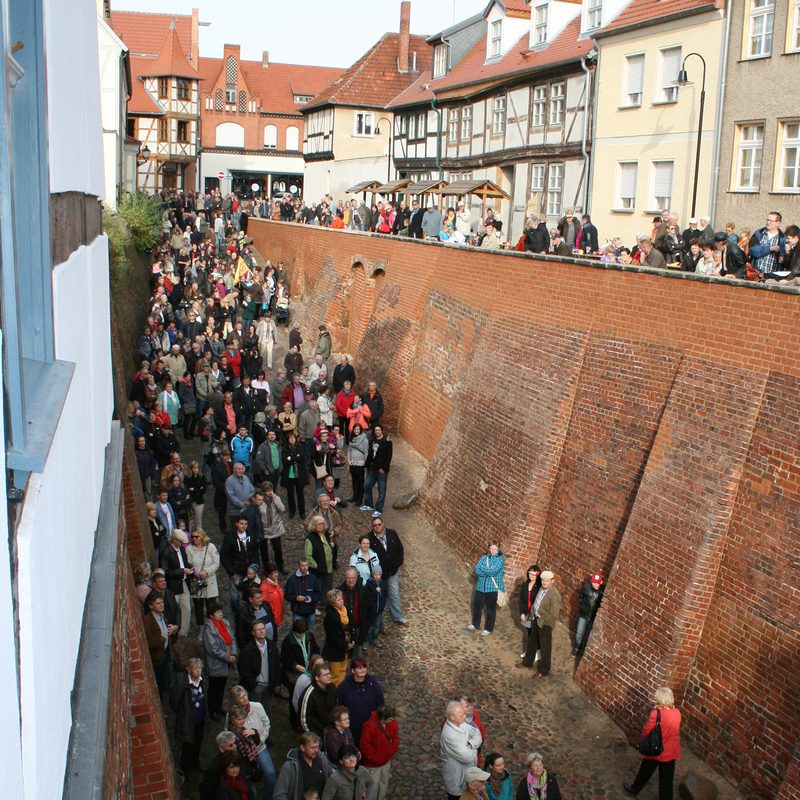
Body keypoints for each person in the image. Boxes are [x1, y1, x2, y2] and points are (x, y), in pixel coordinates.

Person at [623, 687, 681, 799]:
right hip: (671, 751)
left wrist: (642, 739)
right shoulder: (677, 712)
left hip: (656, 749)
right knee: (667, 781)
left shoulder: (656, 713)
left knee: (644, 772)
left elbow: (647, 730)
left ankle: (634, 789)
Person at [227, 685, 277, 799]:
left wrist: (261, 738)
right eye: (241, 697)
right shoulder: (232, 714)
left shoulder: (257, 706)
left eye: (245, 695)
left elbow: (266, 724)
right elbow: (228, 732)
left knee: (270, 773)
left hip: (259, 747)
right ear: (236, 700)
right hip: (243, 753)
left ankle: (269, 796)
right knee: (248, 778)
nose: (244, 699)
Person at [516, 570, 560, 678]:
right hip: (536, 620)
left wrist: (543, 621)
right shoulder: (542, 588)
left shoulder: (554, 595)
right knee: (532, 642)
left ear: (552, 581)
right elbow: (537, 602)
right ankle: (527, 662)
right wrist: (533, 613)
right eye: (543, 580)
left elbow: (554, 614)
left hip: (545, 624)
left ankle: (544, 671)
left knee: (545, 648)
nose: (544, 582)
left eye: (547, 581)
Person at [170, 657, 207, 775]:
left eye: (199, 668)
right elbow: (174, 701)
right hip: (188, 719)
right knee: (188, 746)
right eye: (195, 669)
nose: (198, 671)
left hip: (200, 717)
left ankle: (195, 763)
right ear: (189, 670)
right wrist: (183, 712)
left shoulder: (202, 680)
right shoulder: (183, 684)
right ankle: (186, 769)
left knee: (198, 742)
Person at [336, 658, 385, 745]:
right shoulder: (344, 686)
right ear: (353, 671)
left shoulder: (373, 684)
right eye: (359, 668)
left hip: (370, 728)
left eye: (364, 667)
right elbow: (338, 706)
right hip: (351, 729)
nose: (363, 670)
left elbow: (380, 703)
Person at [202, 602, 238, 719]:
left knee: (222, 686)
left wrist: (233, 653)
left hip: (227, 660)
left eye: (221, 611)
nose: (221, 614)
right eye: (217, 612)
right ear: (211, 616)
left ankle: (219, 706)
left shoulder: (225, 623)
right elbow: (213, 649)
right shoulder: (208, 630)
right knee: (214, 688)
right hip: (216, 664)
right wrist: (228, 657)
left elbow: (232, 639)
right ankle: (212, 711)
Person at [441, 700, 483, 800]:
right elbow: (467, 757)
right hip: (457, 780)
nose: (465, 717)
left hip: (465, 777)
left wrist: (470, 745)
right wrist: (475, 747)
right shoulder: (449, 734)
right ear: (452, 717)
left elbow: (477, 733)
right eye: (461, 715)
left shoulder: (459, 722)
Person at [368, 516, 406, 625]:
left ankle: (397, 617)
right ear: (372, 527)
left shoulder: (392, 533)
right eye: (375, 525)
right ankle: (378, 622)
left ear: (383, 524)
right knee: (379, 597)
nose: (377, 526)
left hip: (392, 571)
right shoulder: (369, 538)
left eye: (379, 524)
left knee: (394, 594)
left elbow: (400, 549)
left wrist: (397, 564)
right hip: (378, 575)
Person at [220, 515, 260, 617]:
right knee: (234, 595)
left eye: (245, 524)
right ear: (236, 524)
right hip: (236, 570)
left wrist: (256, 566)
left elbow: (255, 551)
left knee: (251, 592)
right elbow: (224, 556)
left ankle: (251, 612)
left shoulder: (251, 534)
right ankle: (236, 614)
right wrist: (232, 572)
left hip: (249, 570)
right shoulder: (230, 537)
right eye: (241, 524)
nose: (243, 526)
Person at [273, 732, 333, 800]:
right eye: (313, 747)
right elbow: (279, 795)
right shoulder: (290, 767)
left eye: (317, 747)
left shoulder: (322, 759)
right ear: (302, 748)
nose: (316, 750)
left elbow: (333, 779)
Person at [238, 619, 281, 709]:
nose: (262, 631)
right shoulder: (247, 650)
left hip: (269, 685)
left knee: (267, 708)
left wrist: (277, 683)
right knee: (254, 709)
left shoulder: (272, 646)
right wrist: (254, 684)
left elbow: (277, 665)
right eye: (258, 629)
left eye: (263, 628)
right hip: (256, 687)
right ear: (253, 633)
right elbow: (243, 670)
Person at [359, 706, 399, 800]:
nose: (393, 720)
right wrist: (375, 759)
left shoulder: (392, 723)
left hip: (386, 760)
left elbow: (395, 738)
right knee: (372, 786)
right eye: (390, 719)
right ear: (383, 718)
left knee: (384, 783)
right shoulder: (369, 726)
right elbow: (365, 746)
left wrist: (391, 751)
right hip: (373, 764)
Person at [143, 590, 176, 700]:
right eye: (158, 603)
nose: (162, 605)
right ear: (151, 606)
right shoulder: (147, 621)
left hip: (164, 654)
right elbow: (147, 642)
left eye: (162, 602)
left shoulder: (162, 615)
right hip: (156, 660)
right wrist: (161, 639)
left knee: (163, 681)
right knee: (158, 683)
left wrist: (172, 629)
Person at [468, 541, 505, 636]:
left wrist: (483, 569)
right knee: (477, 606)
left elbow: (492, 572)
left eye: (495, 549)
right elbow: (477, 569)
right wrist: (486, 571)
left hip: (492, 588)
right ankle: (475, 623)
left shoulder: (500, 560)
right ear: (489, 548)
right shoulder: (484, 557)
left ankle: (488, 628)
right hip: (480, 586)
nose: (493, 551)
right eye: (491, 548)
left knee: (490, 610)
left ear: (498, 549)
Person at [159, 529, 192, 636]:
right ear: (174, 540)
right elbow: (166, 572)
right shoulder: (166, 552)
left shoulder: (181, 549)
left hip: (183, 582)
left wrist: (190, 568)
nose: (183, 544)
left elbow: (184, 563)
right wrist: (182, 571)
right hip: (173, 586)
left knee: (187, 609)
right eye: (181, 542)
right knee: (174, 610)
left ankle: (183, 632)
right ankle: (174, 631)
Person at [186, 528, 220, 625]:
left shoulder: (211, 547)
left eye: (196, 536)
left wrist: (207, 572)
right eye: (192, 537)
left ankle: (213, 627)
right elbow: (188, 563)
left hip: (210, 582)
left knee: (212, 608)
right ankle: (201, 628)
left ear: (202, 536)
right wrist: (195, 572)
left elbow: (216, 563)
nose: (194, 538)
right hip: (196, 582)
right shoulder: (189, 549)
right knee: (198, 609)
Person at [322, 589, 355, 687]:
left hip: (346, 648)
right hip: (336, 650)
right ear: (333, 603)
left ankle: (340, 690)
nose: (341, 601)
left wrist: (353, 640)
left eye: (341, 599)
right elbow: (332, 637)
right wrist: (346, 645)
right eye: (338, 600)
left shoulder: (345, 610)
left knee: (343, 670)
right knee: (335, 674)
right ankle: (333, 692)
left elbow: (351, 627)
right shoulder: (330, 617)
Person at [299, 661, 338, 737]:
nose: (329, 676)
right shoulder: (310, 694)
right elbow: (304, 720)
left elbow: (335, 705)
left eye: (329, 673)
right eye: (326, 675)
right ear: (317, 678)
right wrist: (315, 737)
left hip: (331, 730)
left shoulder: (332, 687)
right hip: (316, 734)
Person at [281, 617, 320, 692]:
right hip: (295, 674)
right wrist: (295, 666)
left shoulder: (310, 636)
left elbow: (316, 649)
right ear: (294, 631)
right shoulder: (287, 642)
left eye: (303, 633)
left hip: (309, 671)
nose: (302, 635)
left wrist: (314, 661)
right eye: (299, 634)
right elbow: (284, 659)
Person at [361, 426, 392, 515]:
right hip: (373, 468)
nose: (377, 431)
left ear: (382, 431)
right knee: (367, 485)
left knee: (381, 490)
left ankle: (378, 509)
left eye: (379, 430)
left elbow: (389, 456)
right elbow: (370, 454)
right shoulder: (372, 440)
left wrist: (384, 468)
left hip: (382, 470)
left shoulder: (387, 441)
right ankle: (369, 504)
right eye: (376, 430)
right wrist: (367, 465)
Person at [285, 556, 322, 633]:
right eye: (303, 565)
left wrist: (312, 599)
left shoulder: (312, 578)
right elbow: (287, 595)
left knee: (310, 633)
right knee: (298, 633)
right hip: (298, 612)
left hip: (310, 611)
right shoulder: (292, 580)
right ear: (299, 566)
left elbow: (318, 594)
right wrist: (296, 598)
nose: (305, 568)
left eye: (306, 565)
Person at [572, 572, 604, 657]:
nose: (595, 584)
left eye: (597, 583)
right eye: (594, 582)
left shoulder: (602, 592)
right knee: (579, 633)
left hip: (593, 617)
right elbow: (581, 597)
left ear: (601, 582)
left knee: (587, 635)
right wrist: (583, 607)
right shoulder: (586, 588)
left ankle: (583, 650)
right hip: (583, 615)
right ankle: (576, 647)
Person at [305, 515, 336, 601]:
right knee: (318, 587)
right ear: (313, 525)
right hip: (318, 570)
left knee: (328, 586)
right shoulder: (310, 538)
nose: (321, 525)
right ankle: (316, 603)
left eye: (322, 524)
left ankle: (325, 602)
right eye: (318, 524)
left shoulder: (326, 534)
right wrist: (316, 566)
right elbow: (308, 556)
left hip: (329, 567)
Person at [517, 565, 541, 660]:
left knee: (534, 634)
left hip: (535, 614)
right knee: (529, 632)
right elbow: (522, 600)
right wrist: (522, 612)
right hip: (527, 612)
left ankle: (536, 652)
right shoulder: (525, 585)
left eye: (534, 574)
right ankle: (531, 651)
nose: (532, 575)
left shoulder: (539, 587)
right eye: (530, 573)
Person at [347, 423, 369, 504]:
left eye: (358, 429)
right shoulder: (352, 438)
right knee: (354, 481)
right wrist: (349, 460)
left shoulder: (364, 440)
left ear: (360, 430)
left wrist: (366, 465)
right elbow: (349, 450)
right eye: (355, 429)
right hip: (352, 463)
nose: (356, 431)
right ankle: (354, 497)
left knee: (360, 482)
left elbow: (366, 453)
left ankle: (359, 499)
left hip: (360, 464)